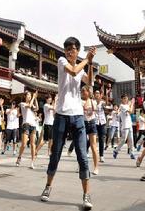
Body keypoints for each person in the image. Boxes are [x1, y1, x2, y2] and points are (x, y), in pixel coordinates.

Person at [40, 37, 96, 209]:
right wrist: (86, 59)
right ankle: (47, 187)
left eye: (73, 49)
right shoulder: (62, 60)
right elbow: (72, 71)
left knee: (83, 157)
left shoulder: (80, 68)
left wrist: (90, 64)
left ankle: (86, 195)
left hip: (78, 116)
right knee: (55, 154)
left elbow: (90, 82)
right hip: (62, 115)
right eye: (67, 49)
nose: (70, 51)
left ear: (77, 50)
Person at [16, 90, 39, 169]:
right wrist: (33, 97)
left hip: (33, 125)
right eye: (28, 95)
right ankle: (19, 157)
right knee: (24, 144)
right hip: (26, 125)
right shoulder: (22, 104)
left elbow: (37, 108)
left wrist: (35, 98)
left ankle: (32, 162)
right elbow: (29, 106)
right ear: (25, 97)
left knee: (33, 144)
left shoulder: (32, 105)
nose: (29, 97)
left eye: (30, 95)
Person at [82, 85, 99, 175]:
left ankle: (96, 167)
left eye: (85, 91)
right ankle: (82, 165)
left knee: (93, 146)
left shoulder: (93, 101)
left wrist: (90, 100)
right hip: (83, 123)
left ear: (88, 92)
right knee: (83, 146)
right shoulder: (80, 101)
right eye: (82, 91)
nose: (83, 93)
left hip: (92, 123)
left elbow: (93, 111)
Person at [113, 94, 136, 160]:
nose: (126, 100)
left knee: (131, 140)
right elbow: (130, 111)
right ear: (122, 99)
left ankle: (132, 153)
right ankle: (116, 151)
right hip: (125, 126)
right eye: (124, 98)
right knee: (123, 140)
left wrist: (131, 104)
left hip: (129, 124)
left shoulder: (127, 105)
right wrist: (132, 103)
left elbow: (132, 111)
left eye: (127, 98)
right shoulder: (122, 106)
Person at [94, 90, 108, 162]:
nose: (97, 94)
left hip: (102, 122)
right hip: (94, 122)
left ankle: (101, 155)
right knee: (92, 138)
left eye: (98, 93)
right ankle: (86, 151)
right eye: (96, 93)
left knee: (101, 139)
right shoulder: (92, 102)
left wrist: (107, 95)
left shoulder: (102, 102)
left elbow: (106, 106)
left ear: (100, 95)